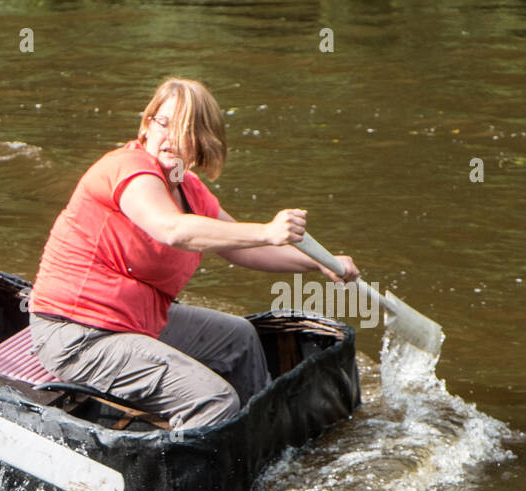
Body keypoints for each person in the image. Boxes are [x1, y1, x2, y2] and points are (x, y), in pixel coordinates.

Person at [29, 76, 360, 430]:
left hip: (134, 324)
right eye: (163, 123)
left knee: (241, 338)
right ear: (146, 125)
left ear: (201, 142)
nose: (170, 138)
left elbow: (241, 249)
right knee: (214, 400)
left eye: (184, 130)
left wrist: (320, 263)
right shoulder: (129, 169)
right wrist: (267, 229)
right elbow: (171, 229)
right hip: (78, 334)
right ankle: (184, 478)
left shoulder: (190, 190)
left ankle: (261, 443)